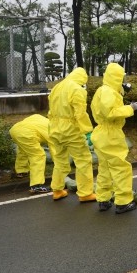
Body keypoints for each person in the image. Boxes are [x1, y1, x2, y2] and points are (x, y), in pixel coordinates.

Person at [90, 63, 137, 214]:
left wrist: (122, 92)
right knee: (121, 168)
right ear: (117, 77)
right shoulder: (109, 92)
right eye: (122, 77)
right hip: (110, 134)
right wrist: (129, 108)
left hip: (101, 133)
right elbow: (110, 112)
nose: (124, 80)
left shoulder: (103, 90)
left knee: (105, 168)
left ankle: (103, 199)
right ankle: (123, 202)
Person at [48, 67, 96, 202]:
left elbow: (51, 109)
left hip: (54, 128)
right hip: (70, 130)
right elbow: (80, 113)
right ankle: (85, 193)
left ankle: (57, 190)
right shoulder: (77, 89)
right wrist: (87, 131)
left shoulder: (56, 87)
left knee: (60, 161)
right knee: (83, 160)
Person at [9, 114, 55, 194]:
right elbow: (55, 151)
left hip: (14, 130)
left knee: (23, 150)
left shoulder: (38, 116)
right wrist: (60, 166)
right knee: (38, 156)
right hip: (27, 134)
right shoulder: (52, 129)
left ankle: (21, 171)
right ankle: (36, 185)